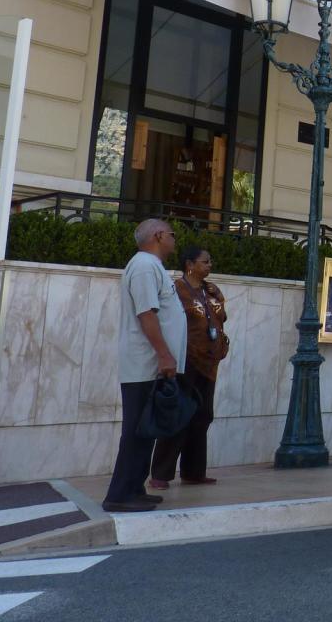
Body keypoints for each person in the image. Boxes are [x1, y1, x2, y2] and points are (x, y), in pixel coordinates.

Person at [103, 219, 186, 513]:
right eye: (172, 234)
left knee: (146, 429)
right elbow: (146, 313)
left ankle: (134, 488)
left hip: (151, 365)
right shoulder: (143, 266)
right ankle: (119, 495)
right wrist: (164, 355)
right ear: (159, 235)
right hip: (144, 364)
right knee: (137, 431)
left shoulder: (152, 267)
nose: (175, 240)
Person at [150, 245, 229, 489]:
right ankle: (161, 474)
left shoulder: (212, 291)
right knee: (179, 414)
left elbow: (221, 318)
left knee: (203, 415)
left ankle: (194, 471)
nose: (209, 265)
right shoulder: (176, 289)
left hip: (209, 362)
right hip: (186, 360)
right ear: (190, 264)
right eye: (205, 261)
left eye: (210, 261)